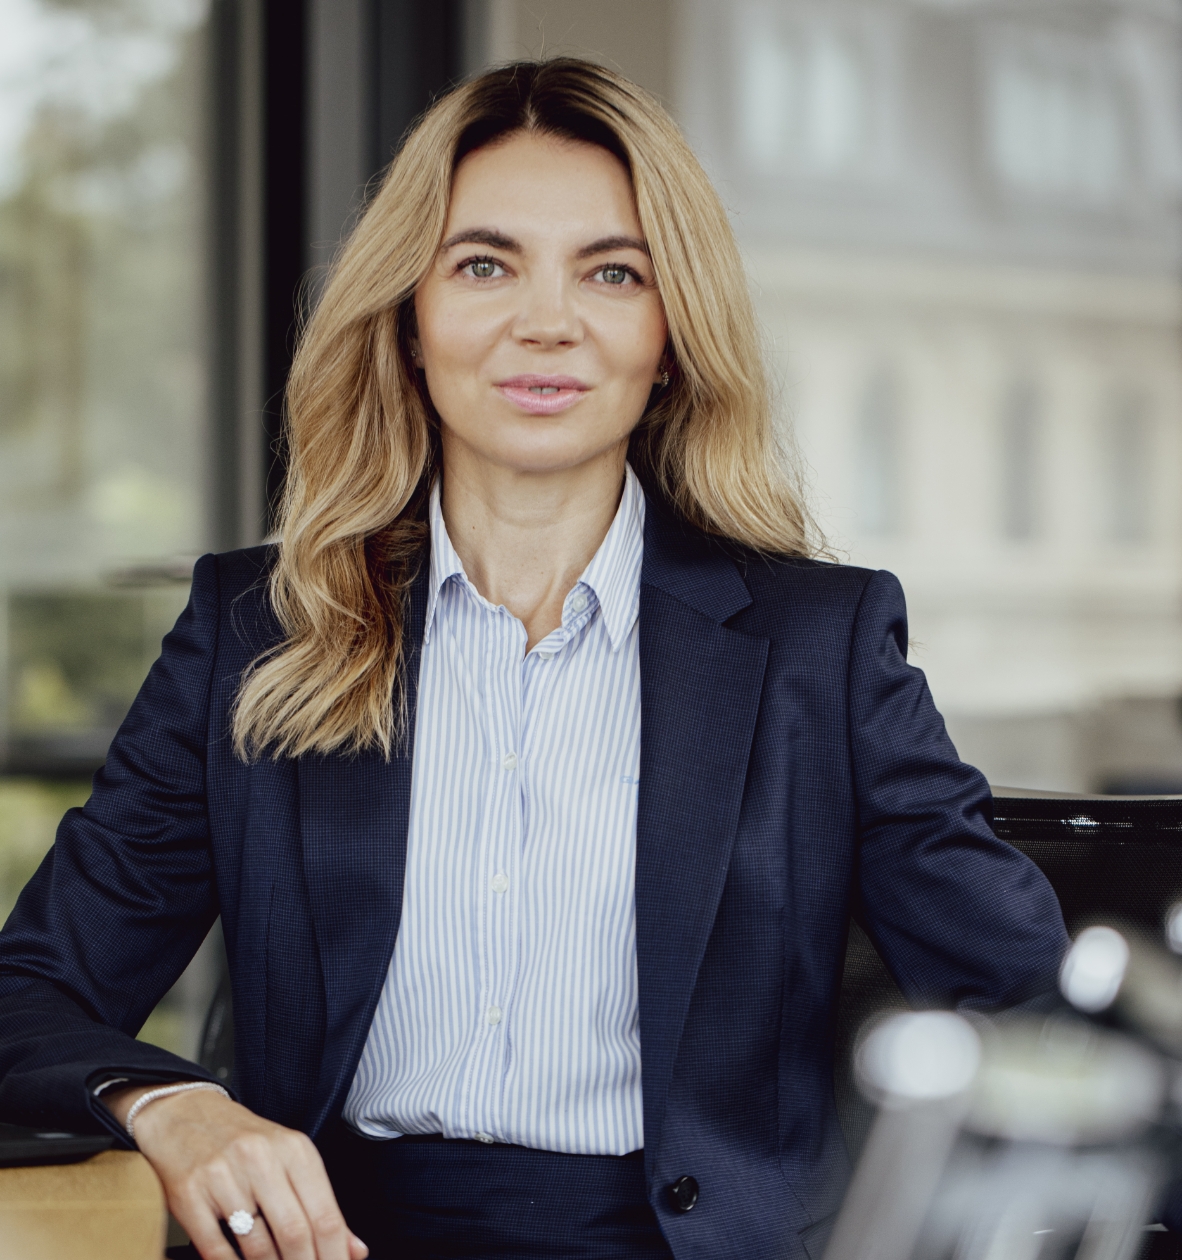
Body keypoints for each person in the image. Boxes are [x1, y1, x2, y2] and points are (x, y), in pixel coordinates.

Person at [0, 59, 1067, 1260]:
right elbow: (28, 993)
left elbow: (1035, 1008)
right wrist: (176, 1107)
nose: (545, 322)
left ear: (669, 337)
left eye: (613, 272)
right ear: (410, 317)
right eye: (484, 264)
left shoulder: (820, 647)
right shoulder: (259, 629)